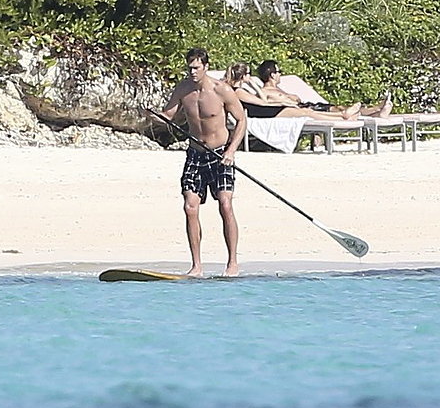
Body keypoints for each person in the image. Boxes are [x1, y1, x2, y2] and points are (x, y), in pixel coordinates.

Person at [160, 47, 247, 277]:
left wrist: (231, 151)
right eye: (189, 68)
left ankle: (232, 263)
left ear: (206, 67)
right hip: (195, 155)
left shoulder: (222, 90)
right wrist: (152, 115)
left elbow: (241, 120)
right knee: (190, 207)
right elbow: (167, 116)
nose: (192, 72)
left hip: (220, 156)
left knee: (225, 204)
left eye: (197, 68)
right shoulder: (183, 89)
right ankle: (197, 266)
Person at [225, 63, 364, 121]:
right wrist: (280, 103)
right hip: (265, 113)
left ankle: (342, 116)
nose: (251, 76)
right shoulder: (239, 92)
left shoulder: (240, 90)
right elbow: (263, 102)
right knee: (306, 112)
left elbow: (263, 101)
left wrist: (254, 86)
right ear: (243, 76)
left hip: (267, 111)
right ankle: (342, 116)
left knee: (307, 112)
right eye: (249, 74)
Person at [254, 60, 391, 118]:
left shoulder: (280, 89)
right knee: (340, 110)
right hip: (301, 110)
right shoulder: (266, 91)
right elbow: (265, 103)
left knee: (339, 107)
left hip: (307, 105)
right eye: (279, 71)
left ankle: (377, 111)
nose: (281, 74)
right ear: (272, 74)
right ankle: (375, 110)